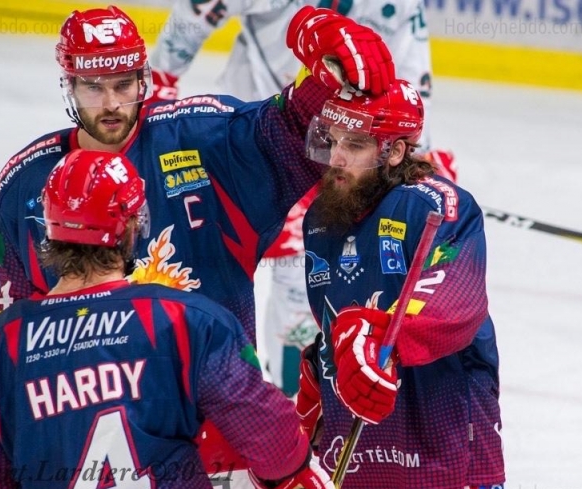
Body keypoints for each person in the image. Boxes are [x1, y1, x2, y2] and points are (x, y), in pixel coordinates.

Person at [0, 4, 393, 489]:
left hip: (222, 433)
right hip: (82, 448)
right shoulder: (24, 187)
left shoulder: (202, 138)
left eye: (123, 84)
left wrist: (327, 74)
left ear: (144, 77)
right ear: (68, 85)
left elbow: (290, 129)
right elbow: (21, 333)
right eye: (93, 87)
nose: (110, 103)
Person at [0, 150, 334, 489]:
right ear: (133, 226)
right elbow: (270, 440)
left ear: (50, 229)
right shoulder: (188, 319)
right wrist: (297, 471)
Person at [148, 0, 457, 394]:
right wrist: (162, 75)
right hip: (250, 142)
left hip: (337, 148)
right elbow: (202, 8)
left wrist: (417, 151)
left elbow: (407, 72)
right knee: (209, 259)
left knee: (306, 274)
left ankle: (289, 402)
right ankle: (192, 385)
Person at [294, 79, 506, 489]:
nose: (336, 157)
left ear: (393, 153)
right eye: (332, 140)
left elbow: (454, 297)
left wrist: (373, 338)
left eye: (354, 144)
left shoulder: (437, 205)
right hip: (356, 428)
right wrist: (323, 362)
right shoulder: (322, 216)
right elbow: (333, 311)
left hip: (440, 425)